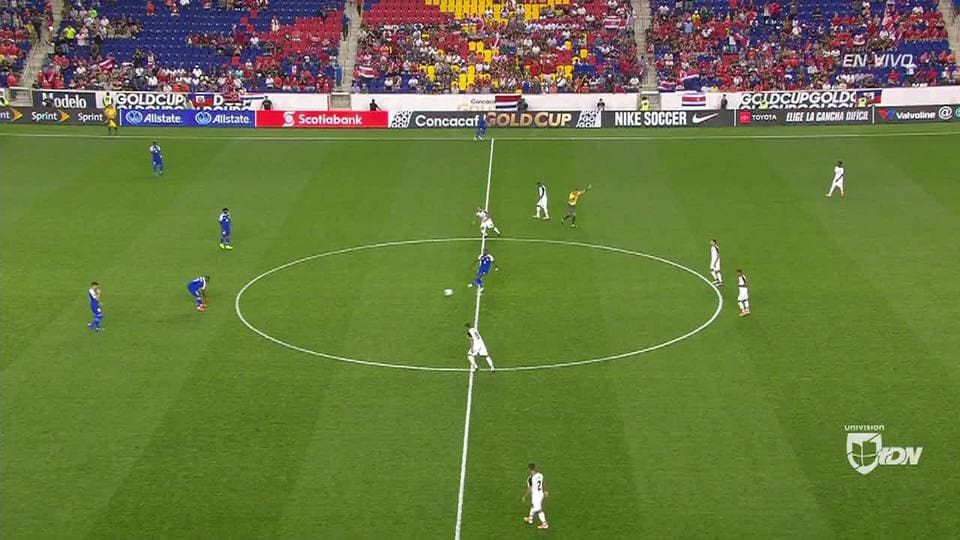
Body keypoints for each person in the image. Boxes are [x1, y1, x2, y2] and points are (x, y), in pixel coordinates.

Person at [522, 463, 549, 529]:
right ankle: (530, 519)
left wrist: (524, 496)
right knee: (532, 505)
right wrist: (545, 491)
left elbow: (530, 489)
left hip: (536, 496)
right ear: (535, 468)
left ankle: (544, 524)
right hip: (541, 494)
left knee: (539, 510)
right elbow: (543, 482)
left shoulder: (530, 479)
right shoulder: (540, 475)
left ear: (529, 469)